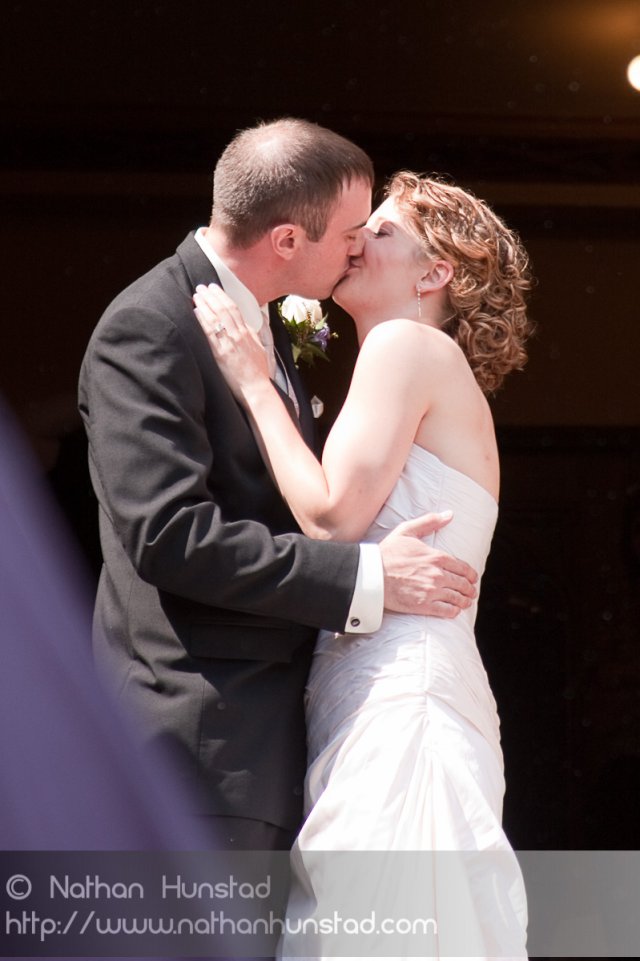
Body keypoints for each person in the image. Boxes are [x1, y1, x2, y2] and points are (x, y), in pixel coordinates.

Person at [78, 119, 478, 854]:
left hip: (275, 745)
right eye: (353, 231)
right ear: (289, 241)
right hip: (197, 748)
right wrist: (366, 576)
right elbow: (172, 537)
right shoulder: (152, 326)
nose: (358, 246)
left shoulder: (267, 328)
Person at [193, 170, 533, 957]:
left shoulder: (407, 346)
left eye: (380, 230)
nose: (356, 241)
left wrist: (253, 384)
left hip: (401, 700)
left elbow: (331, 515)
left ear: (435, 272)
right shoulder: (416, 361)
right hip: (388, 690)